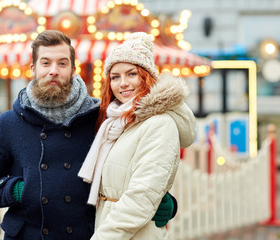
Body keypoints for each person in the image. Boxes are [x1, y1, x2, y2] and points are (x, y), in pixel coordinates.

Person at [0, 30, 176, 240]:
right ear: (33, 68)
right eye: (45, 63)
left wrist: (163, 199)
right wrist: (18, 190)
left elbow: (130, 166)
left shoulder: (102, 117)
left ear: (72, 69)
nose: (53, 71)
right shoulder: (8, 123)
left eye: (62, 63)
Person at [78, 32, 197, 239]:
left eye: (131, 74)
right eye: (115, 77)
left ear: (147, 77)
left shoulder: (159, 124)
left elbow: (141, 197)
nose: (122, 83)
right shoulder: (116, 123)